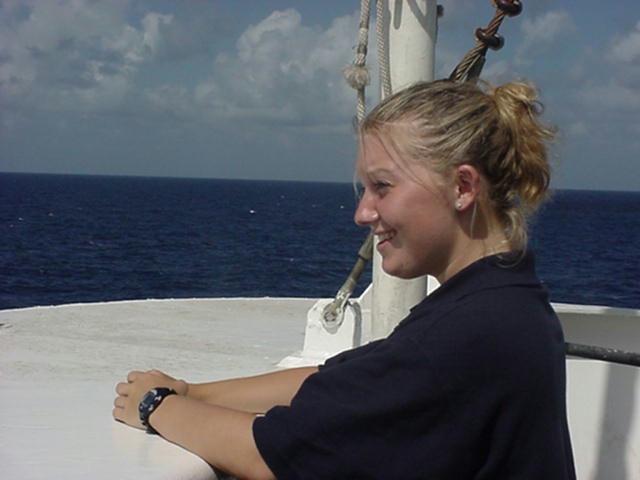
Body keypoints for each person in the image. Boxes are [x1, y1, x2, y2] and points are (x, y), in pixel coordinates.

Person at [113, 79, 576, 479]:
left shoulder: (465, 336)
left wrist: (156, 405)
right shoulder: (505, 300)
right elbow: (341, 379)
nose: (362, 213)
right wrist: (195, 392)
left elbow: (271, 454)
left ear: (462, 187)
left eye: (383, 187)